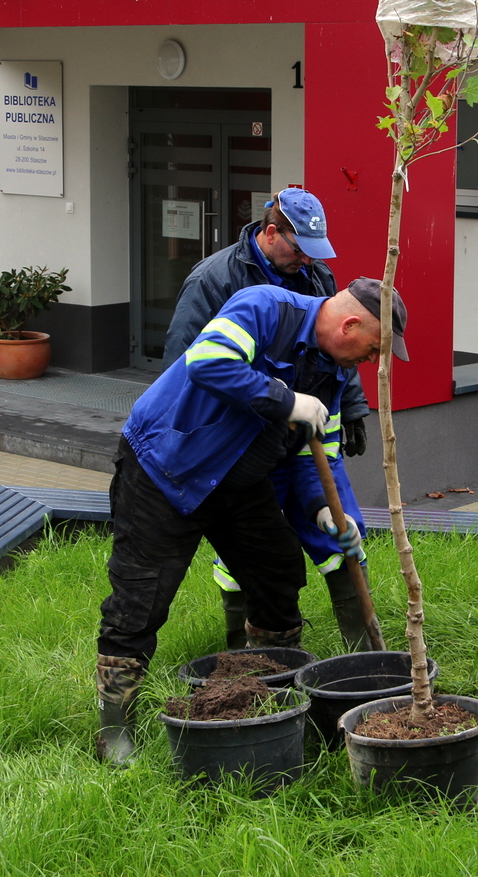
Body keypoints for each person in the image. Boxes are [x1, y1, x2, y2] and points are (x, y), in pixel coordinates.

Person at [96, 278, 410, 765]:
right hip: (164, 469)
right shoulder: (267, 309)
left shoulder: (334, 372)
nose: (368, 363)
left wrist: (324, 510)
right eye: (371, 351)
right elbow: (208, 363)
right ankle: (115, 728)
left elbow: (314, 459)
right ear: (349, 324)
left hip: (238, 484)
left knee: (278, 575)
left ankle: (258, 696)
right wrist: (286, 400)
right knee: (140, 599)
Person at [163, 188, 380, 651]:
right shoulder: (215, 281)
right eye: (298, 248)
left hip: (304, 433)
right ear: (269, 233)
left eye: (314, 252)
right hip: (240, 439)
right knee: (246, 546)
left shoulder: (313, 273)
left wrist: (355, 405)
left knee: (339, 526)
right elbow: (184, 368)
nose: (307, 260)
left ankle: (363, 649)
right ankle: (241, 648)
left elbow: (341, 340)